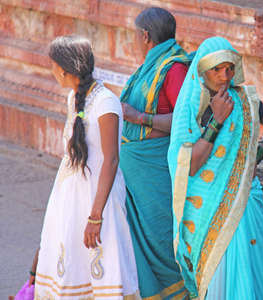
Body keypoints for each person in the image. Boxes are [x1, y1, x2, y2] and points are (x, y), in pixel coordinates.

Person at [167, 36, 263, 300]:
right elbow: (191, 166)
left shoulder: (245, 100)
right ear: (202, 72)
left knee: (254, 274)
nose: (224, 76)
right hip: (207, 213)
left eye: (229, 68)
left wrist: (255, 156)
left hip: (245, 204)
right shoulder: (191, 110)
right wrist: (217, 120)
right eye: (216, 69)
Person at [32, 35, 138, 299]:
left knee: (103, 268)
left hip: (98, 201)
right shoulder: (74, 98)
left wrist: (96, 216)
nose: (51, 70)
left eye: (53, 65)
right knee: (70, 268)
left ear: (65, 70)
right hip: (70, 199)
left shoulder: (106, 103)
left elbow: (111, 160)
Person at [118, 7, 190, 300]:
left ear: (145, 36)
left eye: (136, 35)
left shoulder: (173, 69)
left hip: (156, 174)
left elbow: (187, 120)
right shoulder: (150, 66)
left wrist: (138, 117)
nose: (135, 40)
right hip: (136, 173)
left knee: (162, 242)